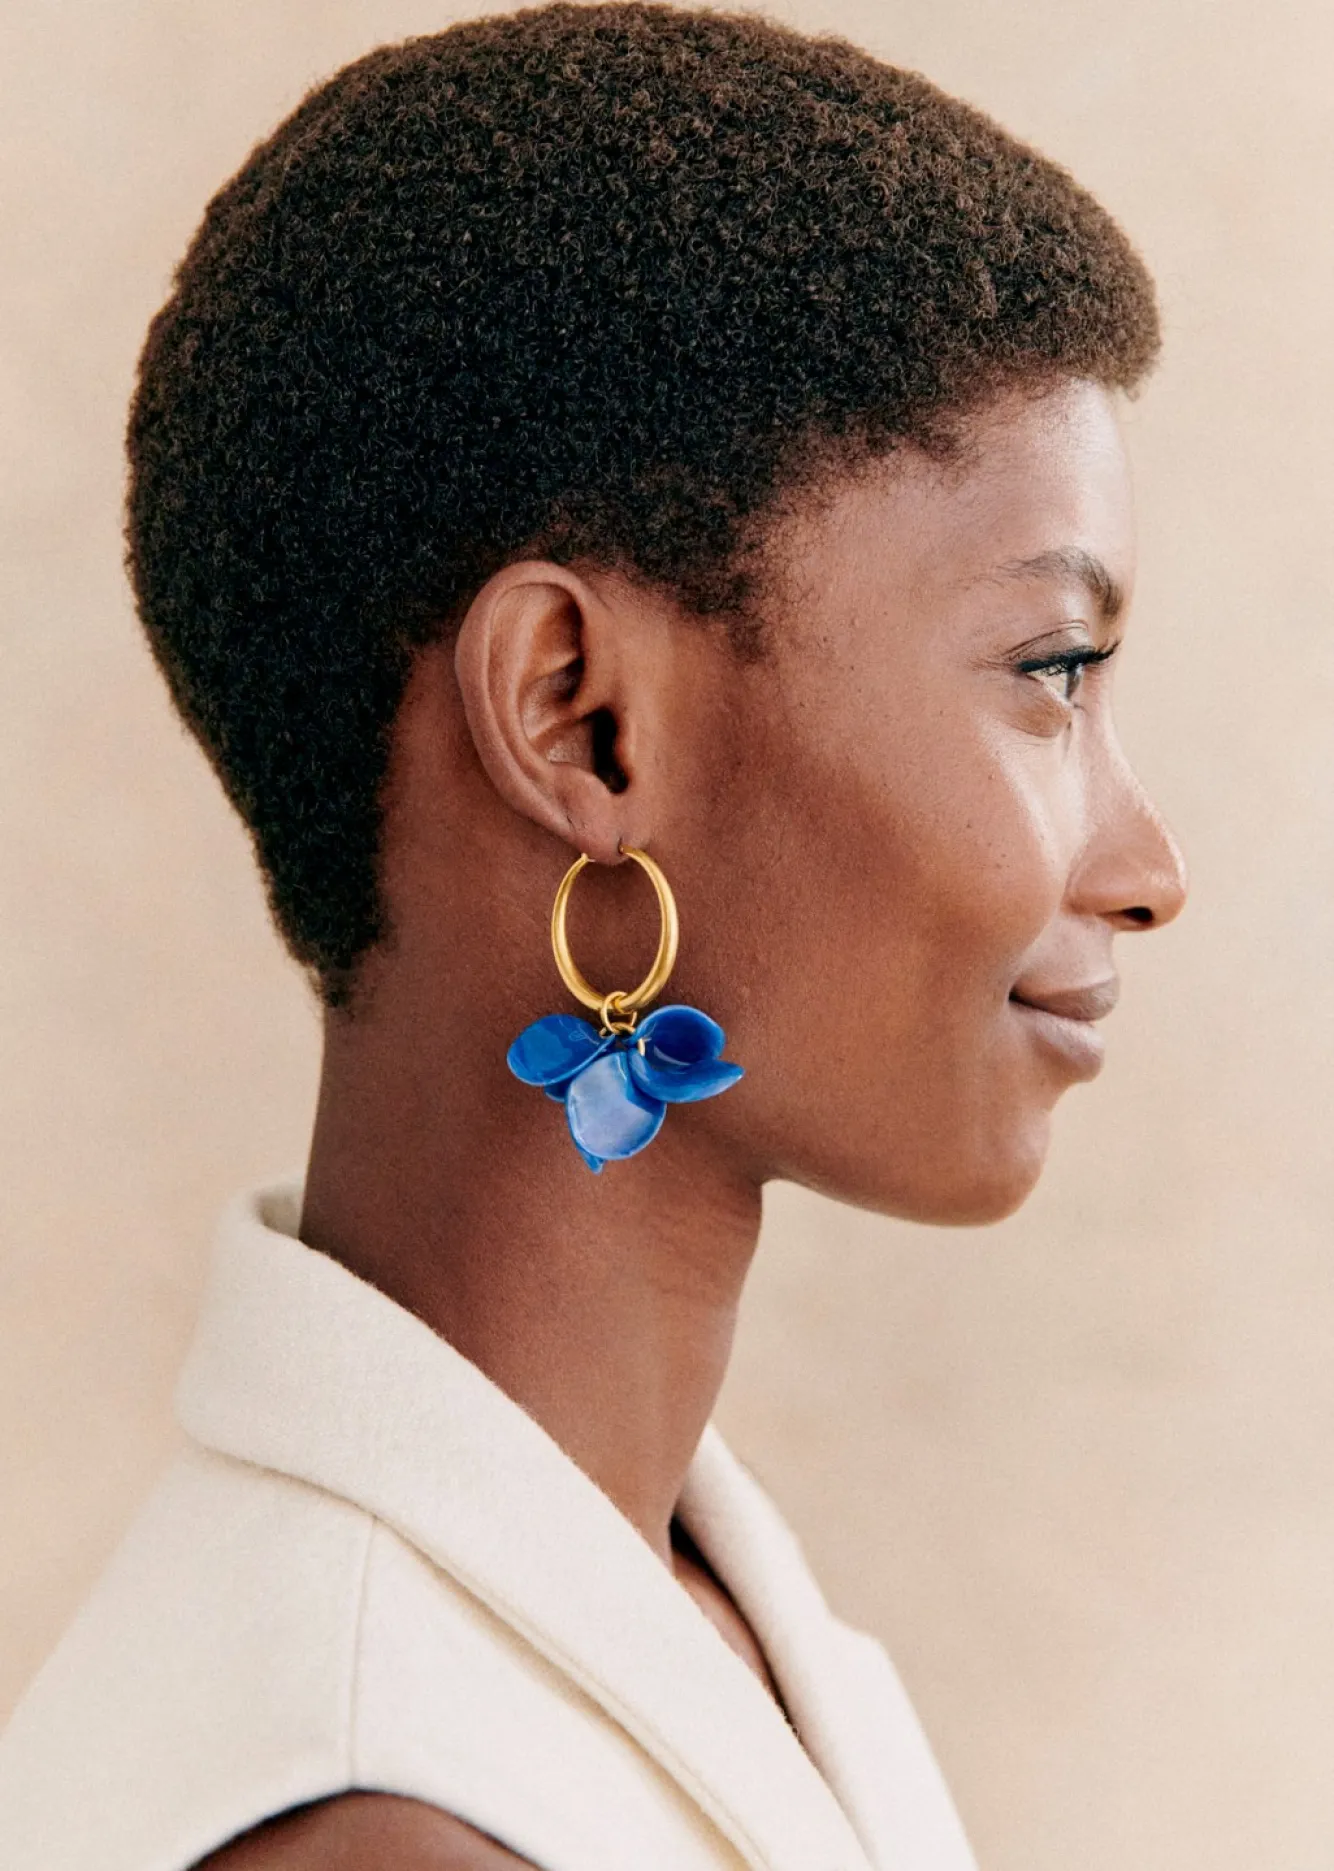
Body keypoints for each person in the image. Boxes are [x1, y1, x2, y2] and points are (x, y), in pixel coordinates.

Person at [0, 4, 1188, 1867]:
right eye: (1047, 670)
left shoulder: (691, 1624)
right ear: (580, 718)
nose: (1145, 866)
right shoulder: (384, 1817)